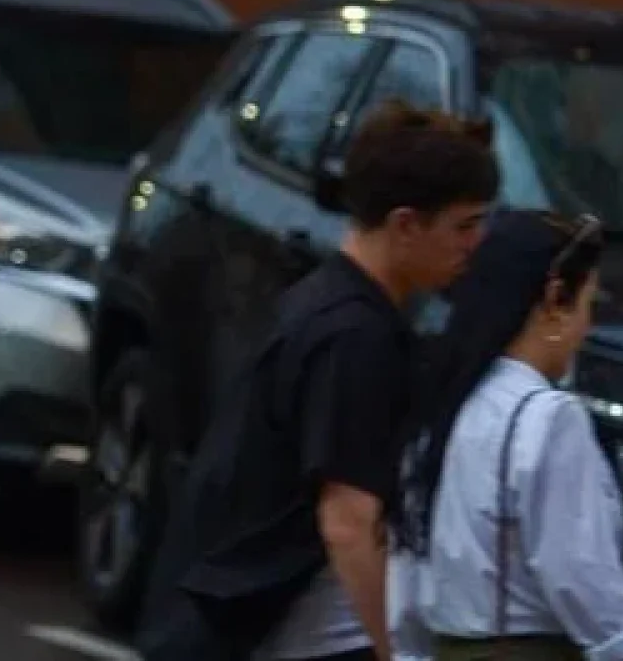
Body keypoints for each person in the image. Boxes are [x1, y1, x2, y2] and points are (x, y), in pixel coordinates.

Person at [138, 100, 501, 661]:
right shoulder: (354, 337)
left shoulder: (324, 303)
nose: (474, 245)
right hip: (290, 638)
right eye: (465, 225)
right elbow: (348, 520)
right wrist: (397, 652)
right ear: (405, 224)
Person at [388, 211, 623, 661]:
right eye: (588, 302)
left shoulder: (444, 408)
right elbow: (589, 589)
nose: (586, 327)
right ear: (554, 299)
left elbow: (404, 588)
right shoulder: (547, 419)